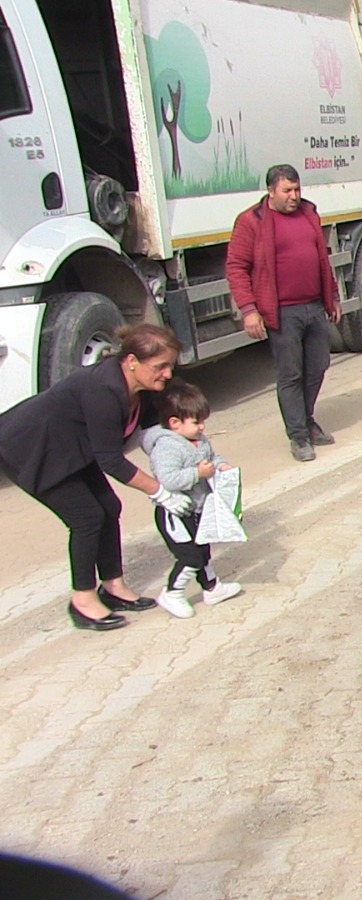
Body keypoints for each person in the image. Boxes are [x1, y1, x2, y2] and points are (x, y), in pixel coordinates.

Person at [0, 324, 192, 632]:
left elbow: (152, 429)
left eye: (170, 365)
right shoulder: (104, 390)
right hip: (31, 448)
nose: (167, 373)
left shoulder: (139, 388)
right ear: (132, 361)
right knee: (87, 517)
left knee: (109, 507)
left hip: (70, 446)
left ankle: (113, 587)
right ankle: (83, 600)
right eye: (160, 367)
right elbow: (110, 460)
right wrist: (161, 492)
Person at [225, 163, 342, 463]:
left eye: (297, 189)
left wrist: (333, 296)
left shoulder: (309, 213)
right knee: (291, 373)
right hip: (282, 311)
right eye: (287, 191)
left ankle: (307, 419)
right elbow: (236, 267)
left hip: (314, 305)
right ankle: (299, 436)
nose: (294, 196)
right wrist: (249, 309)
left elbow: (322, 259)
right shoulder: (252, 221)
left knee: (318, 365)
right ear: (271, 191)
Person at [140, 379, 243, 618]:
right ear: (175, 423)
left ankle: (212, 587)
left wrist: (221, 466)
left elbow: (211, 457)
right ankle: (173, 592)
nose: (202, 427)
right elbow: (167, 479)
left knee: (203, 548)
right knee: (190, 555)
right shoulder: (167, 447)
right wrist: (198, 473)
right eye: (196, 422)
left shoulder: (200, 440)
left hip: (198, 508)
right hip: (175, 512)